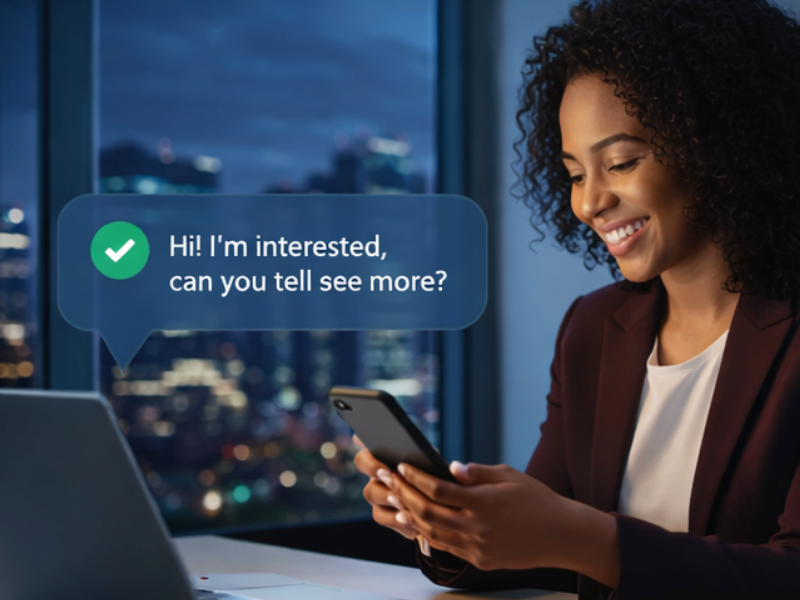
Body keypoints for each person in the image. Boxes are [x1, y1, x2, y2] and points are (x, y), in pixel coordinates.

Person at [354, 0, 800, 598]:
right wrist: (449, 521)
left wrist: (584, 539)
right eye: (574, 173)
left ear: (719, 145)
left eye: (620, 162)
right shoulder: (593, 329)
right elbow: (541, 545)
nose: (590, 204)